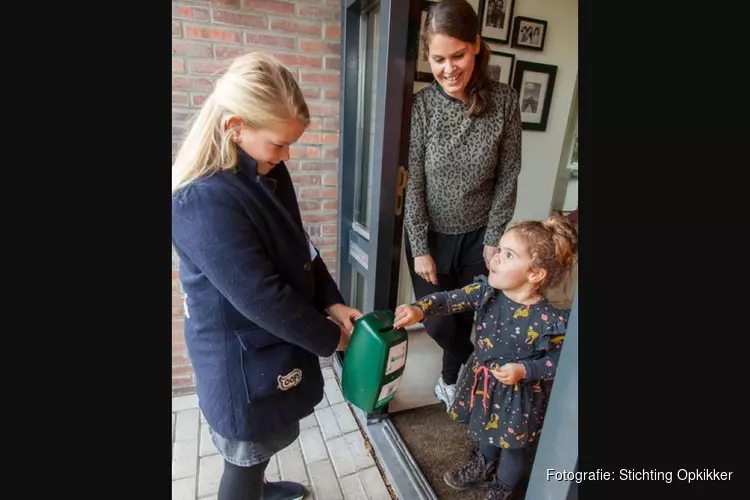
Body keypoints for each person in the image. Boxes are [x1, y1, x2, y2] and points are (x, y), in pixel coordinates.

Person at [171, 52, 363, 500]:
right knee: (246, 452)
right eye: (279, 144)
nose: (286, 155)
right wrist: (333, 338)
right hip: (239, 358)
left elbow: (301, 245)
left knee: (263, 442)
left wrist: (331, 300)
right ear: (235, 127)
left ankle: (260, 489)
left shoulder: (267, 169)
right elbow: (263, 298)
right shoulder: (202, 201)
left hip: (270, 346)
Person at [394, 215, 577, 500]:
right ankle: (483, 467)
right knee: (485, 429)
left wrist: (524, 370)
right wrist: (420, 309)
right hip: (484, 381)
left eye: (508, 255)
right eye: (499, 251)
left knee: (513, 448)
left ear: (535, 274)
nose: (495, 259)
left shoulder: (548, 320)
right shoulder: (487, 292)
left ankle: (503, 488)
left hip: (518, 396)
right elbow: (450, 299)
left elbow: (557, 362)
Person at [404, 0, 523, 410]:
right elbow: (413, 183)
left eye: (457, 55)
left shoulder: (504, 103)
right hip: (431, 237)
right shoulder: (422, 107)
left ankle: (450, 381)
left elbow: (508, 175)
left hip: (479, 237)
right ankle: (475, 363)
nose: (448, 68)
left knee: (469, 312)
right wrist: (419, 247)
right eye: (438, 59)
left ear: (476, 46)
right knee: (437, 319)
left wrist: (493, 239)